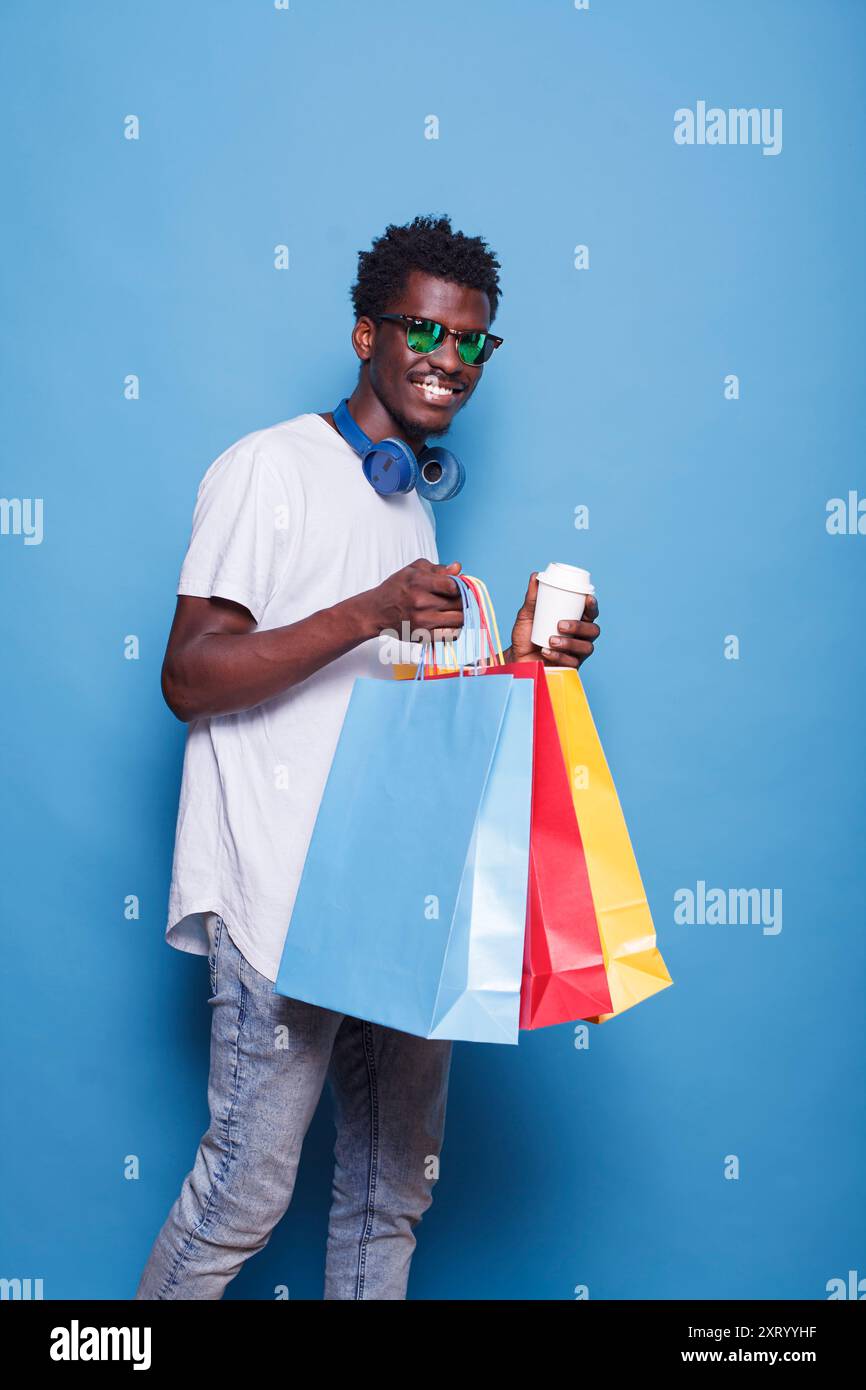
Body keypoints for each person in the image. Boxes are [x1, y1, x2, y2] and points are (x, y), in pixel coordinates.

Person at [134, 213, 601, 1301]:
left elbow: (412, 720)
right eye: (425, 332)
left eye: (473, 341)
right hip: (282, 897)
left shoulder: (407, 506)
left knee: (390, 1195)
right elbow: (188, 676)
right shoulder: (270, 469)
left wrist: (530, 657)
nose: (450, 359)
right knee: (242, 1197)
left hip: (395, 903)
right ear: (364, 335)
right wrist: (370, 608)